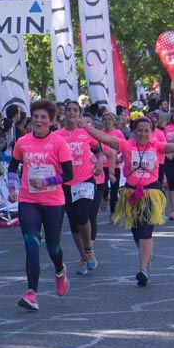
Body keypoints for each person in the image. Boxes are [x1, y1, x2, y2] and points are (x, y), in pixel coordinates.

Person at [85, 117, 174, 286]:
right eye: (139, 130)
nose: (143, 134)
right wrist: (88, 128)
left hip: (151, 194)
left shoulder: (157, 146)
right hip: (131, 194)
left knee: (145, 231)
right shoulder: (126, 145)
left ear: (152, 132)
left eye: (146, 131)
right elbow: (105, 138)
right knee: (137, 233)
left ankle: (143, 269)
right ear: (134, 132)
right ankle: (147, 254)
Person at [7, 100, 72, 310]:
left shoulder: (59, 143)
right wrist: (12, 187)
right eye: (35, 116)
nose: (39, 120)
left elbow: (69, 174)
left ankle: (60, 270)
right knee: (31, 244)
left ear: (51, 120)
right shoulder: (22, 142)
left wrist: (47, 181)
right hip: (28, 200)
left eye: (43, 117)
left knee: (53, 246)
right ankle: (32, 293)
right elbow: (12, 167)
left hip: (53, 201)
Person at [55, 100, 104, 275]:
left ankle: (88, 250)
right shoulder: (57, 135)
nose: (71, 113)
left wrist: (99, 162)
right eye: (68, 110)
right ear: (64, 113)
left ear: (80, 113)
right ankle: (83, 256)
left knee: (83, 217)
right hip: (66, 182)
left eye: (75, 110)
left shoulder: (86, 133)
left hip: (85, 179)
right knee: (74, 222)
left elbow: (98, 150)